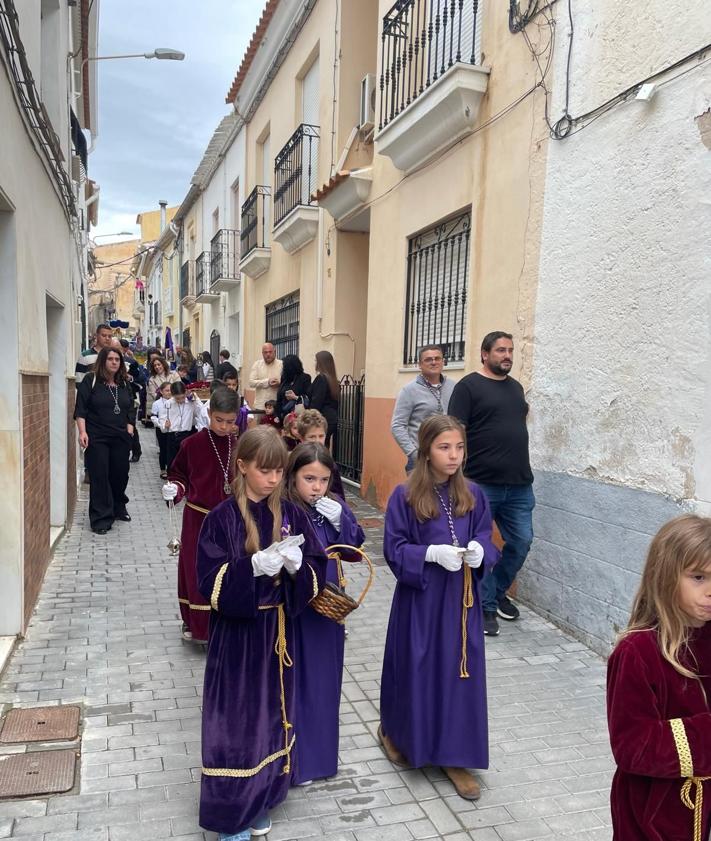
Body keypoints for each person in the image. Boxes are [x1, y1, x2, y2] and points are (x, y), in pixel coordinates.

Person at [195, 427, 327, 840]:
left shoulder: (291, 514)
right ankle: (232, 811)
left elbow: (317, 569)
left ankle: (262, 798)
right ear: (243, 467)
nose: (273, 480)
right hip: (236, 640)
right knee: (234, 722)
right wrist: (249, 569)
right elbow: (207, 581)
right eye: (265, 471)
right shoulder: (220, 518)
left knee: (272, 715)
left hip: (276, 635)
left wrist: (294, 570)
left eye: (279, 472)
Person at [379, 415, 499, 800]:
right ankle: (400, 734)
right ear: (427, 451)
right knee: (417, 668)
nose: (454, 456)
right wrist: (429, 553)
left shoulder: (475, 494)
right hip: (422, 600)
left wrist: (481, 551)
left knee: (458, 673)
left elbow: (486, 536)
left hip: (461, 603)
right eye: (444, 447)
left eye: (459, 447)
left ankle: (454, 755)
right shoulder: (404, 496)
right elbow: (393, 550)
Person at [607, 514, 711, 841]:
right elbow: (633, 746)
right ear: (665, 576)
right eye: (698, 577)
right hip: (652, 810)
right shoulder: (637, 652)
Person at [285, 442, 365, 785]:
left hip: (330, 605)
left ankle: (321, 758)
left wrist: (342, 519)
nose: (316, 487)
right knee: (297, 681)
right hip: (298, 606)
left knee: (325, 681)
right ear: (293, 476)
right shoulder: (285, 510)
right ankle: (296, 760)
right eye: (309, 478)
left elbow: (355, 549)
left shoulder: (331, 507)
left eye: (324, 480)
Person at [448, 331, 534, 638]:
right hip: (481, 483)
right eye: (500, 350)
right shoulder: (468, 387)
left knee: (522, 541)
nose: (507, 355)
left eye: (510, 350)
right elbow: (454, 433)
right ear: (485, 354)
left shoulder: (516, 388)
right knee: (480, 545)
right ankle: (483, 608)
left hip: (520, 484)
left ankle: (496, 591)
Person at [161, 387, 241, 644]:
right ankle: (198, 625)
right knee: (196, 570)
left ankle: (228, 622)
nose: (224, 427)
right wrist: (175, 489)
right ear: (209, 413)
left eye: (230, 422)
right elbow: (178, 475)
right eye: (219, 420)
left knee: (230, 571)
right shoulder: (192, 444)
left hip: (231, 520)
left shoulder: (240, 445)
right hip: (199, 518)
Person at [74, 347, 136, 534]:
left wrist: (130, 426)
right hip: (97, 437)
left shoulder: (124, 383)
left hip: (120, 437)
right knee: (100, 476)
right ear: (103, 361)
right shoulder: (90, 381)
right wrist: (82, 432)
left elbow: (131, 405)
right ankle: (101, 518)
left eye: (117, 359)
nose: (114, 362)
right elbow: (81, 409)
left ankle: (118, 506)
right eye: (110, 359)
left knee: (120, 474)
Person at [391, 345, 456, 473]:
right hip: (421, 460)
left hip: (449, 457)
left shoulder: (454, 387)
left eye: (437, 358)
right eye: (428, 359)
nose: (433, 362)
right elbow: (397, 425)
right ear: (420, 364)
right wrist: (413, 453)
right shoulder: (409, 390)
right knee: (421, 493)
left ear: (443, 361)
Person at [295, 410, 345, 498]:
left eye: (321, 436)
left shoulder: (330, 464)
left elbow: (338, 495)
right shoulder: (293, 461)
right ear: (301, 438)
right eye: (312, 437)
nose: (317, 441)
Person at [156, 382, 199, 471]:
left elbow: (200, 413)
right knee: (172, 463)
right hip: (172, 435)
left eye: (182, 397)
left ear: (185, 392)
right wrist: (164, 425)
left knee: (185, 463)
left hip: (187, 435)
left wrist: (196, 399)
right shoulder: (168, 404)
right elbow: (162, 420)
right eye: (177, 398)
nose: (180, 400)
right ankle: (172, 481)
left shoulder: (190, 402)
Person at [308, 351, 340, 447]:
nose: (315, 363)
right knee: (324, 444)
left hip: (321, 418)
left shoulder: (321, 378)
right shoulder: (334, 380)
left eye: (316, 361)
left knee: (317, 447)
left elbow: (316, 402)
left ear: (321, 363)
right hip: (332, 418)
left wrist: (310, 417)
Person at [120, 338, 144, 463]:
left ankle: (136, 451)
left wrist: (130, 378)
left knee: (131, 424)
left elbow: (140, 378)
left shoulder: (131, 362)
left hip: (132, 398)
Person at [248, 343, 283, 412]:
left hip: (276, 406)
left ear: (275, 352)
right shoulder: (257, 365)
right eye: (265, 352)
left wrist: (279, 383)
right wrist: (267, 382)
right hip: (261, 406)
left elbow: (287, 382)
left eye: (270, 352)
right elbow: (251, 382)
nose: (268, 354)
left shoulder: (281, 364)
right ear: (262, 353)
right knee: (260, 423)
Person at [276, 355, 311, 421]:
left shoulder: (305, 378)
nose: (283, 368)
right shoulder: (284, 378)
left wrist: (295, 397)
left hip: (297, 416)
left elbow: (308, 398)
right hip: (283, 415)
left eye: (284, 366)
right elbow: (279, 397)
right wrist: (278, 415)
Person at [151, 381, 173, 479]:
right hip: (161, 430)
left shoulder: (174, 402)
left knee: (171, 449)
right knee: (163, 449)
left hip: (172, 429)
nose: (169, 392)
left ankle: (171, 469)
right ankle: (163, 469)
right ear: (161, 391)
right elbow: (153, 417)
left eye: (170, 390)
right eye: (167, 390)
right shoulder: (157, 403)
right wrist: (161, 425)